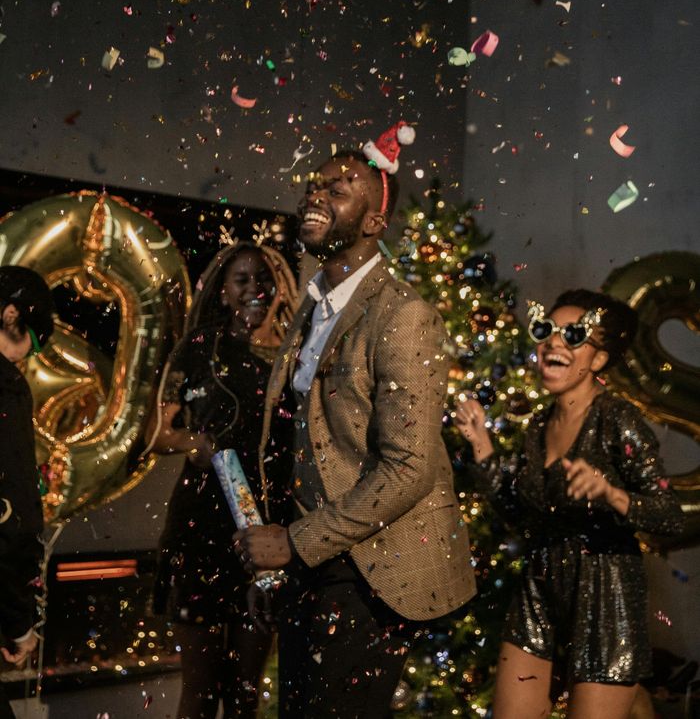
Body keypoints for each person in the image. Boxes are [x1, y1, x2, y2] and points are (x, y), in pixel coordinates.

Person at [234, 123, 475, 718]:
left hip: (372, 568)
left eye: (340, 188)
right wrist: (277, 568)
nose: (316, 196)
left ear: (373, 223)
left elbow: (410, 466)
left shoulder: (404, 315)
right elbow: (294, 445)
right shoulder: (312, 308)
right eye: (314, 186)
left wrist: (293, 543)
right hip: (307, 565)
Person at [455, 289, 684, 719]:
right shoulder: (539, 425)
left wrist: (611, 494)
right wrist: (482, 446)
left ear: (597, 360)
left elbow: (669, 515)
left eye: (573, 336)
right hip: (539, 590)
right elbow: (522, 518)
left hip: (606, 599)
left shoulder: (617, 420)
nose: (553, 344)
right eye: (546, 332)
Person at [145, 242, 298, 719]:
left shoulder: (296, 355)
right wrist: (196, 445)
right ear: (224, 291)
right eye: (242, 280)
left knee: (245, 692)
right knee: (200, 689)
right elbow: (156, 433)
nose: (254, 289)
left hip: (266, 531)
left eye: (263, 280)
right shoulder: (198, 347)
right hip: (201, 525)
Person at [0, 266, 55, 719]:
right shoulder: (6, 386)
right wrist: (19, 624)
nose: (26, 359)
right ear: (10, 314)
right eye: (30, 343)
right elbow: (13, 523)